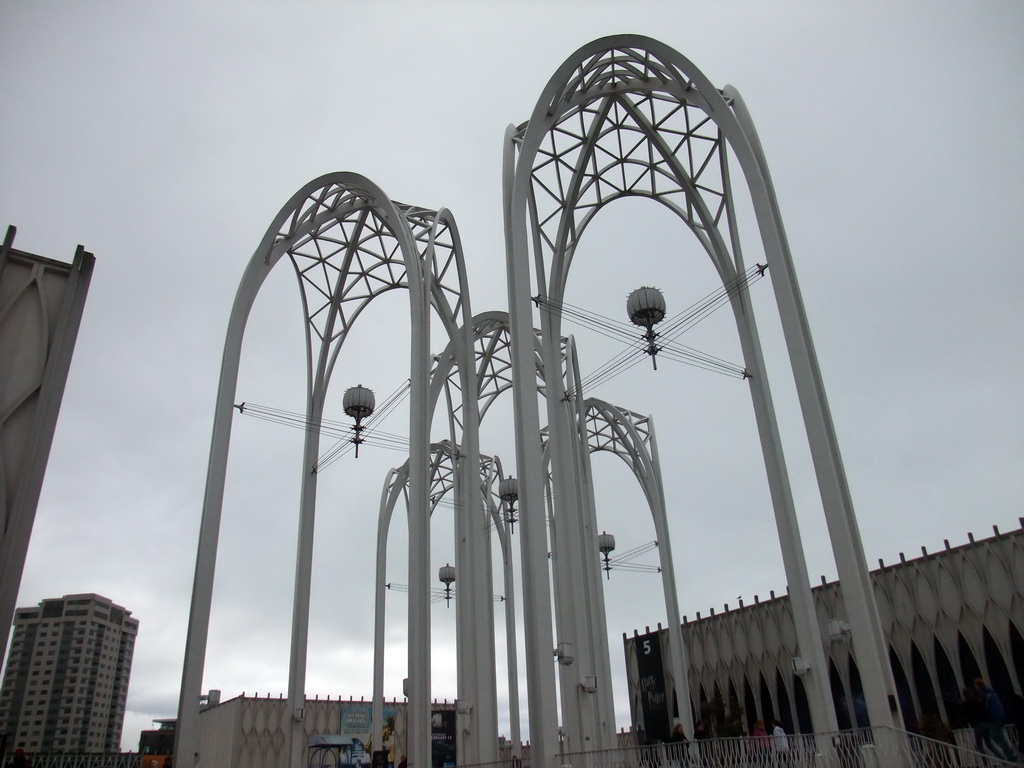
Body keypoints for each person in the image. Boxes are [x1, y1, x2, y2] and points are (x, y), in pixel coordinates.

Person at [974, 677, 1017, 762]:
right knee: (1001, 737)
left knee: (997, 738)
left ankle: (1010, 756)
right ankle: (1010, 754)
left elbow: (982, 706)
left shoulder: (983, 692)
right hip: (1000, 716)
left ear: (977, 685)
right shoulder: (991, 691)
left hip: (993, 718)